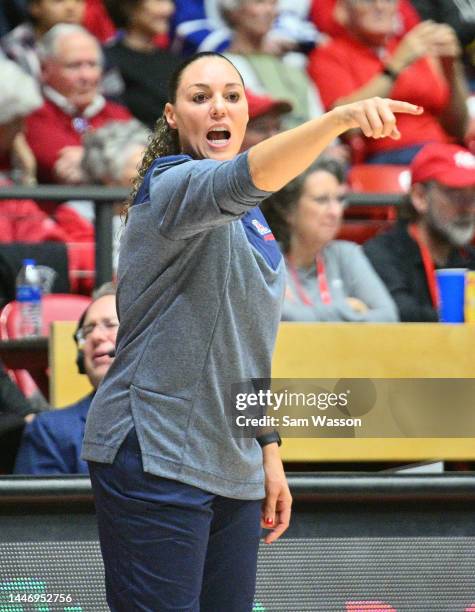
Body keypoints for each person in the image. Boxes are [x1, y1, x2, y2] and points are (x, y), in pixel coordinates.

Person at [80, 50, 422, 610]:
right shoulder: (170, 185)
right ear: (172, 116)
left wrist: (266, 449)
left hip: (230, 455)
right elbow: (248, 174)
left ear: (243, 115)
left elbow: (249, 346)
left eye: (232, 96)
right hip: (155, 446)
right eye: (200, 97)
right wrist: (338, 119)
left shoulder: (255, 216)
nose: (218, 106)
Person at [308, 0, 470, 165]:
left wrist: (451, 69)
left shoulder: (416, 49)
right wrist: (395, 66)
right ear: (344, 11)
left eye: (388, 0)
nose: (380, 7)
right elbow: (347, 126)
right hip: (387, 155)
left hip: (441, 150)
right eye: (368, 2)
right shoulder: (329, 55)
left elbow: (458, 128)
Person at [261, 157, 398, 321]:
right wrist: (347, 308)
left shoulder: (347, 254)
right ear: (288, 211)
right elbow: (277, 319)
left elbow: (388, 317)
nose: (335, 212)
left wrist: (304, 315)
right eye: (321, 200)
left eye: (339, 200)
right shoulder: (267, 261)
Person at [364, 143, 475, 322]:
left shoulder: (469, 258)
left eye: (473, 195)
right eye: (455, 194)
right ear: (420, 197)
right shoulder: (382, 254)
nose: (468, 208)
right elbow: (399, 316)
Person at [14, 283, 117, 475]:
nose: (95, 336)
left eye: (110, 324)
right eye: (87, 331)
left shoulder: (177, 419)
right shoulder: (50, 431)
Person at [24, 23, 131, 185]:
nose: (86, 76)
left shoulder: (118, 113)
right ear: (45, 69)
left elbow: (146, 161)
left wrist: (85, 160)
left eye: (92, 65)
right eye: (74, 66)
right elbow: (62, 166)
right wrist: (123, 161)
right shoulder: (33, 114)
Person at [220, 0, 324, 130]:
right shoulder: (224, 66)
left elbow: (317, 116)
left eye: (273, 3)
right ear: (233, 11)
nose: (269, 10)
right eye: (259, 3)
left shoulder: (292, 65)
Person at [102, 0, 183, 129]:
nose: (169, 9)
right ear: (129, 8)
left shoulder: (173, 60)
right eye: (159, 2)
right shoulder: (108, 61)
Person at [0, 0, 85, 79]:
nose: (71, 8)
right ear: (35, 7)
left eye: (78, 1)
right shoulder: (12, 49)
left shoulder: (89, 42)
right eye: (58, 1)